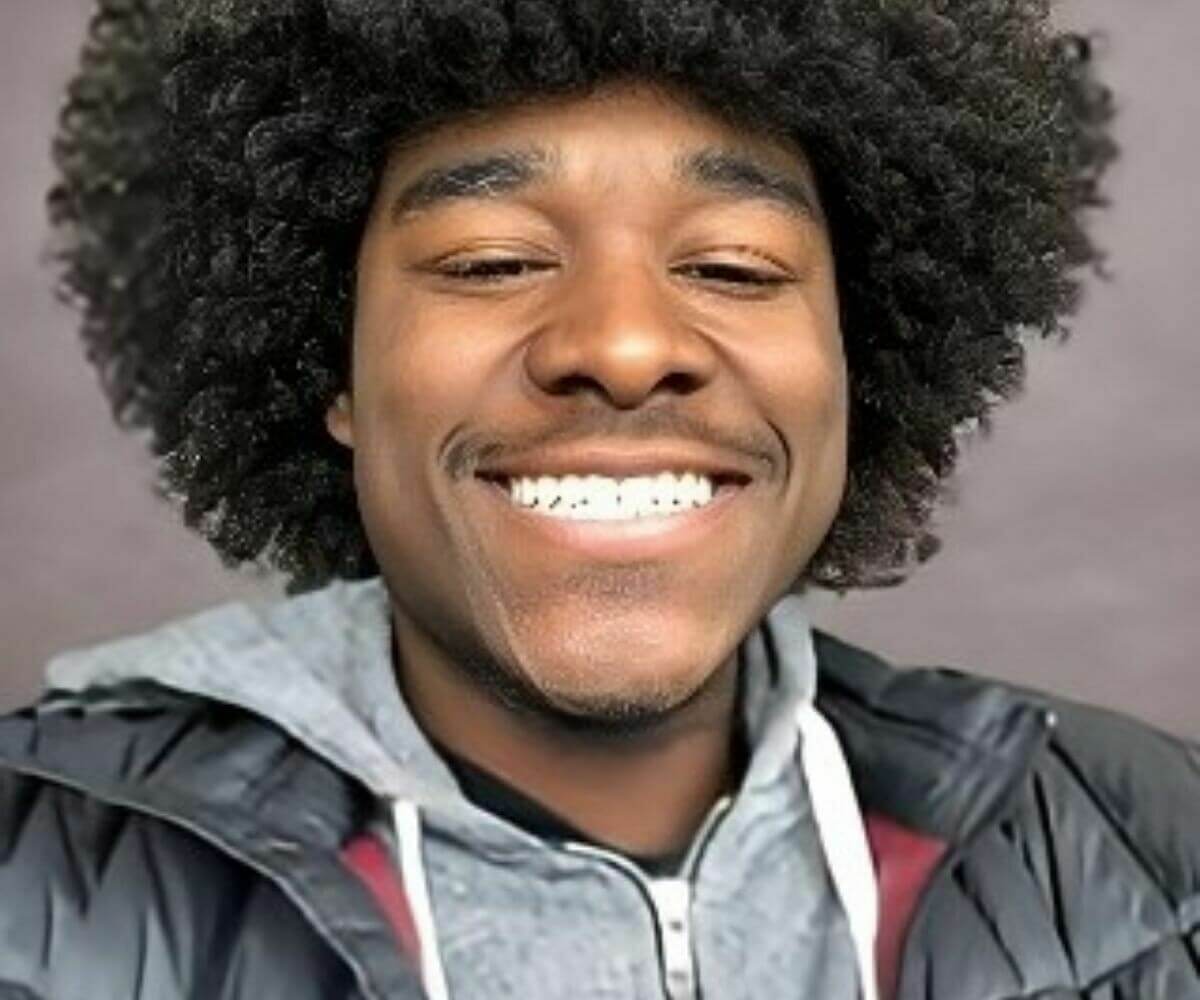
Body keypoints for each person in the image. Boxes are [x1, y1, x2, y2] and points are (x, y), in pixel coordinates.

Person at [2, 1, 1195, 998]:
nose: (624, 346)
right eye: (492, 261)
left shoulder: (1161, 856)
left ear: (854, 362)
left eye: (733, 266)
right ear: (333, 368)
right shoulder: (30, 889)